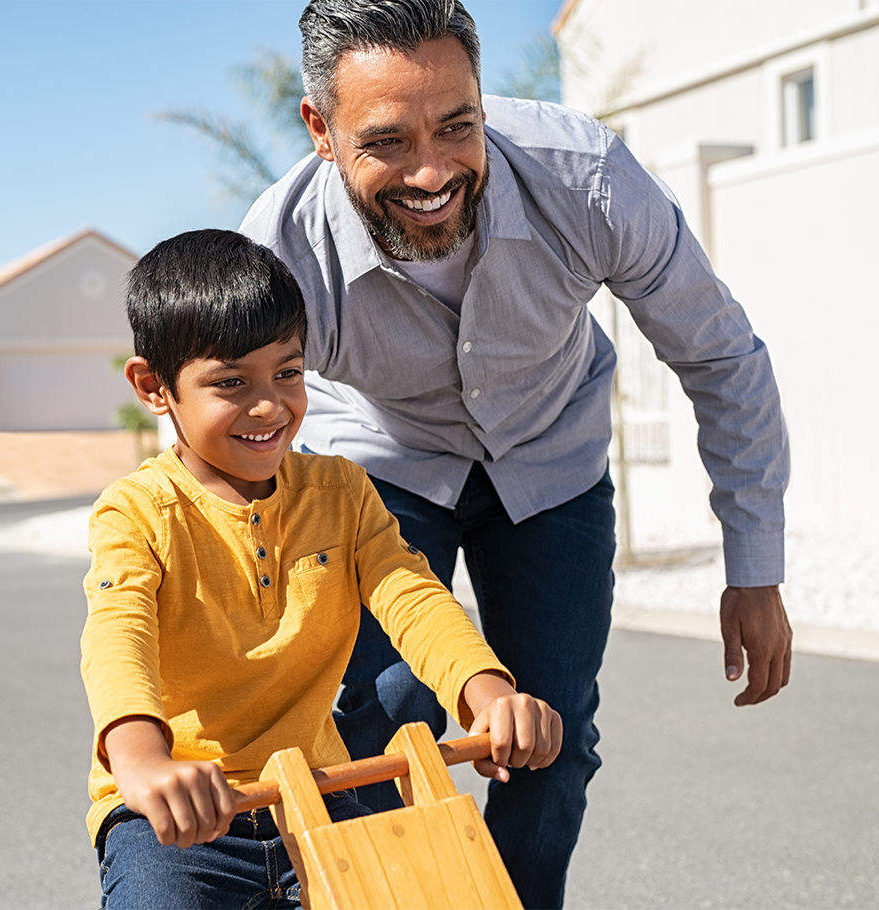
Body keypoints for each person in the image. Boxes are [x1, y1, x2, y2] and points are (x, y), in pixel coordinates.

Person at [239, 1, 794, 905]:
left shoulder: (588, 182)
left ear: (482, 99)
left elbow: (720, 353)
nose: (432, 172)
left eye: (457, 125)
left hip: (551, 456)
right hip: (381, 466)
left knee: (555, 735)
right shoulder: (281, 253)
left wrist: (755, 567)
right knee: (380, 719)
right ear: (320, 130)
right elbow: (224, 444)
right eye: (387, 140)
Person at [80, 228, 563, 909]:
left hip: (318, 791)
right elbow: (116, 635)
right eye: (230, 383)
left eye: (287, 372)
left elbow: (413, 598)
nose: (269, 405)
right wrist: (139, 760)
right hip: (181, 819)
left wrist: (488, 694)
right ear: (154, 387)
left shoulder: (340, 493)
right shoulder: (136, 513)